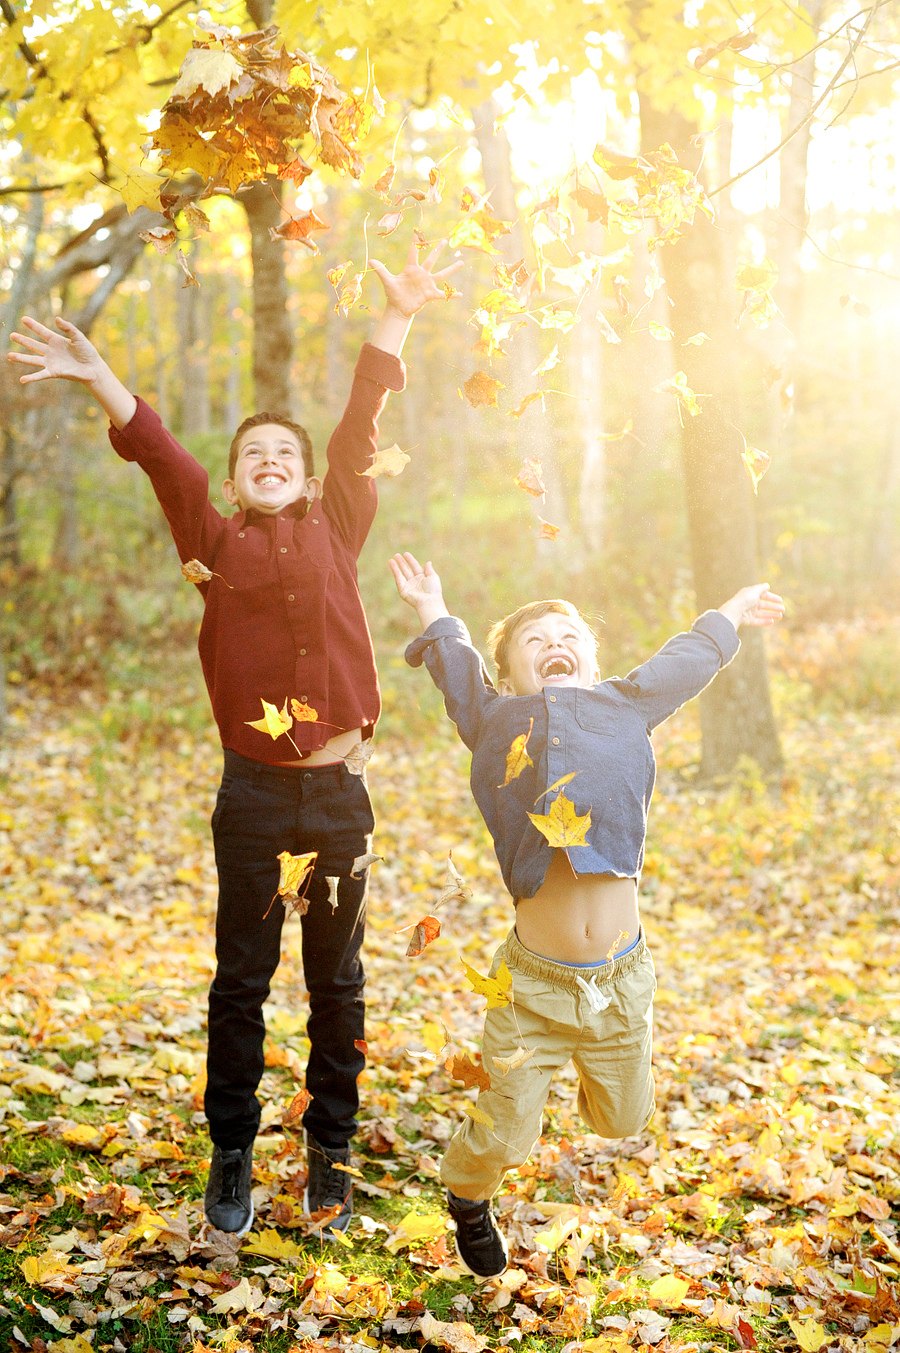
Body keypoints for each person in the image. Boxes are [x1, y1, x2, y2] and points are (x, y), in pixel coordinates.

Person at [7, 240, 461, 1239]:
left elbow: (357, 429)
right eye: (253, 455)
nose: (270, 462)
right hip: (254, 801)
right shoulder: (211, 547)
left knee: (337, 983)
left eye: (284, 456)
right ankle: (231, 1156)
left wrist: (396, 322)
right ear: (238, 479)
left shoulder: (340, 523)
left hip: (338, 803)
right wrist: (103, 383)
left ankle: (331, 1154)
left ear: (304, 478)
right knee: (243, 983)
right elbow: (162, 459)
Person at [389, 550, 784, 1278]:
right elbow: (454, 666)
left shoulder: (624, 705)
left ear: (594, 661)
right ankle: (467, 1195)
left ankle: (573, 1065)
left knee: (622, 1120)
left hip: (620, 980)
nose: (553, 645)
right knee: (506, 1137)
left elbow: (685, 660)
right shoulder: (494, 717)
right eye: (533, 642)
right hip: (531, 989)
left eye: (567, 636)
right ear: (508, 673)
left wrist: (728, 613)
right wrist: (432, 607)